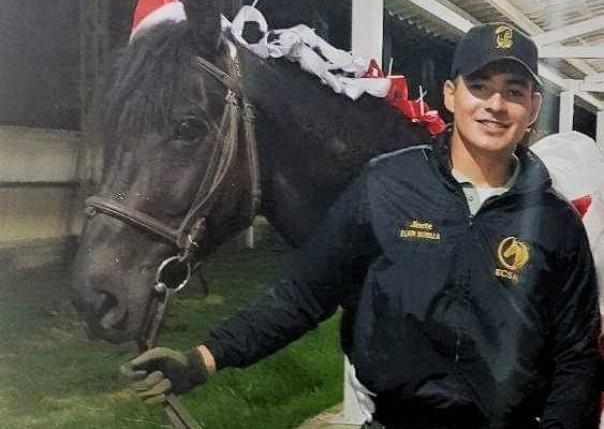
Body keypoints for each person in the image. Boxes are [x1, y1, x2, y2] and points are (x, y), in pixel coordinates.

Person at [121, 23, 601, 428]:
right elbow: (304, 294)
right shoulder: (386, 184)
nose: (495, 104)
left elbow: (577, 357)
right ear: (451, 95)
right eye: (480, 86)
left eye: (513, 92)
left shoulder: (556, 223)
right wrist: (202, 360)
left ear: (531, 109)